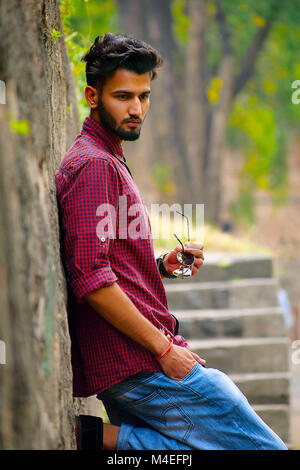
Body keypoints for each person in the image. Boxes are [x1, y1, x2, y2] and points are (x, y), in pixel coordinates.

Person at [55, 33, 287, 450]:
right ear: (92, 95)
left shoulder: (108, 159)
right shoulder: (94, 166)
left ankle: (98, 439)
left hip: (133, 363)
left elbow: (108, 259)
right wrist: (164, 351)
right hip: (142, 362)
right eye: (123, 96)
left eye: (144, 96)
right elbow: (91, 278)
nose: (136, 109)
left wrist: (162, 264)